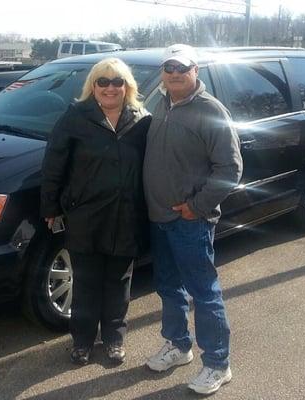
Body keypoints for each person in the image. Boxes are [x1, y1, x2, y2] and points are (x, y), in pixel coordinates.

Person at [143, 44, 243, 394]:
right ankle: (178, 345)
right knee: (169, 287)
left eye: (181, 68)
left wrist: (196, 206)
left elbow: (230, 168)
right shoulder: (160, 103)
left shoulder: (210, 111)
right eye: (168, 67)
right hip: (158, 218)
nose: (174, 73)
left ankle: (218, 363)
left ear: (195, 70)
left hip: (191, 221)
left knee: (203, 292)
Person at [40, 58, 151, 366]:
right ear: (93, 86)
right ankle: (83, 341)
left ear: (127, 86)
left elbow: (154, 166)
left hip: (126, 217)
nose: (110, 87)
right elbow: (53, 165)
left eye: (117, 81)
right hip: (85, 217)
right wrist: (50, 206)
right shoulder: (75, 117)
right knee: (86, 283)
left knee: (118, 283)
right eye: (103, 82)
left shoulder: (142, 120)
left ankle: (114, 339)